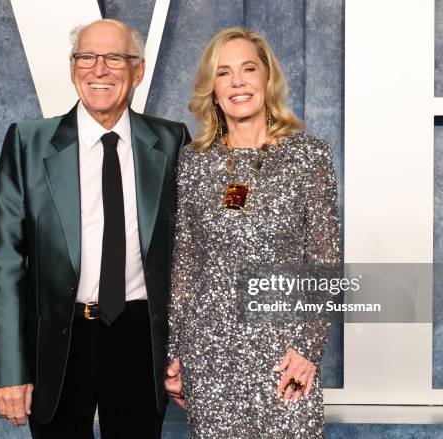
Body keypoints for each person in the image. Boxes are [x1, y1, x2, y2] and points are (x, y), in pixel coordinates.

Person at [0, 18, 190, 439]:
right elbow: (4, 263)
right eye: (87, 57)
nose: (99, 69)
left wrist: (188, 353)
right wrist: (9, 369)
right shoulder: (28, 143)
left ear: (138, 70)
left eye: (115, 57)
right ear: (72, 66)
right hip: (59, 341)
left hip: (139, 338)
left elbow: (189, 258)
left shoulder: (172, 143)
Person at [163, 27, 340, 438]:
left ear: (267, 78)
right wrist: (175, 353)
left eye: (248, 69)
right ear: (213, 87)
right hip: (207, 353)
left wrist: (309, 350)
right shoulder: (193, 161)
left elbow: (324, 261)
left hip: (286, 354)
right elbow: (185, 263)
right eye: (224, 73)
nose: (237, 82)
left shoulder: (309, 156)